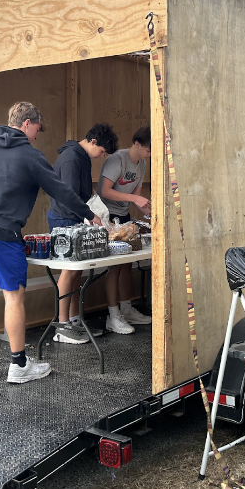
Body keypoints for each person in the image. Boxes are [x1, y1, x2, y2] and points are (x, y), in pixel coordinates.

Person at [0, 101, 102, 384]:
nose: (37, 135)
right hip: (4, 235)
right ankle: (19, 364)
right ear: (28, 123)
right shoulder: (30, 156)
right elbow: (60, 189)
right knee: (13, 296)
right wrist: (88, 214)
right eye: (38, 129)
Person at [47, 123, 119, 344]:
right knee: (69, 271)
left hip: (76, 217)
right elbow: (69, 195)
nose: (101, 156)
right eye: (102, 152)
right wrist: (90, 214)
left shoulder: (82, 157)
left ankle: (75, 320)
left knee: (77, 271)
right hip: (63, 219)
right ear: (93, 142)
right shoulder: (71, 158)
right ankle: (62, 326)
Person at [97, 126, 153, 334]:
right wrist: (134, 199)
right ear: (137, 144)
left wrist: (147, 208)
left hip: (125, 217)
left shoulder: (143, 164)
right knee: (115, 266)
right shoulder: (117, 160)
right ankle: (113, 316)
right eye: (148, 149)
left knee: (128, 262)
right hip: (107, 218)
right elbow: (105, 191)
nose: (150, 153)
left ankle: (127, 309)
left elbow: (136, 199)